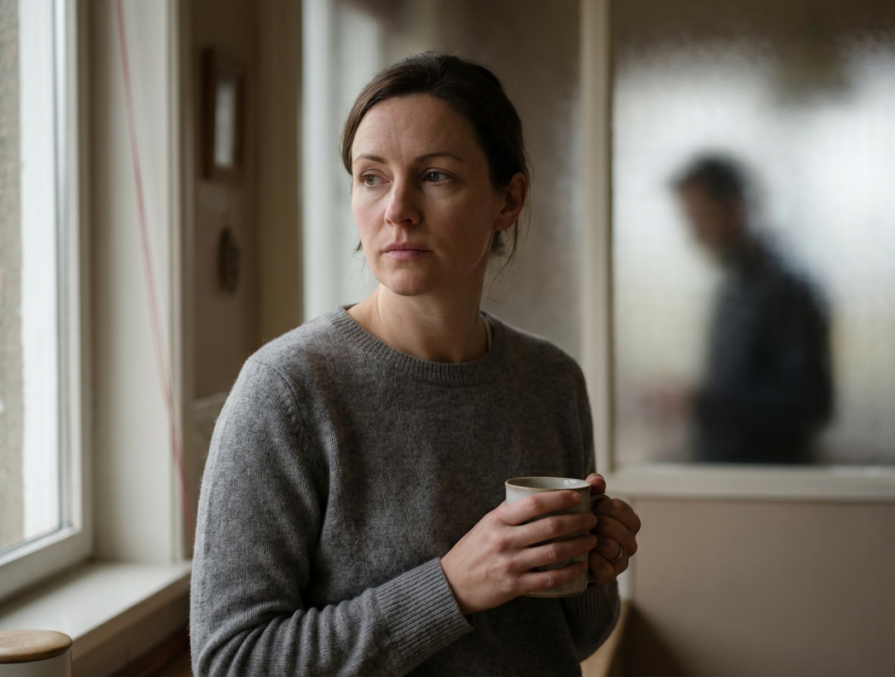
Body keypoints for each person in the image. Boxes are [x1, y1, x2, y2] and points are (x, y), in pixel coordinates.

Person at [190, 52, 641, 676]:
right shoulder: (288, 390)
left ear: (508, 200)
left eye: (435, 176)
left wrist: (593, 568)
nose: (396, 208)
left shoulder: (551, 381)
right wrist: (450, 587)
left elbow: (576, 637)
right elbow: (232, 662)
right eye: (372, 177)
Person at [673, 154, 833, 464]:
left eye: (701, 217)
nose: (695, 233)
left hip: (766, 479)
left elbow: (808, 404)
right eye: (689, 219)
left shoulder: (784, 288)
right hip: (732, 472)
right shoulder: (734, 284)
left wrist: (699, 403)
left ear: (735, 208)